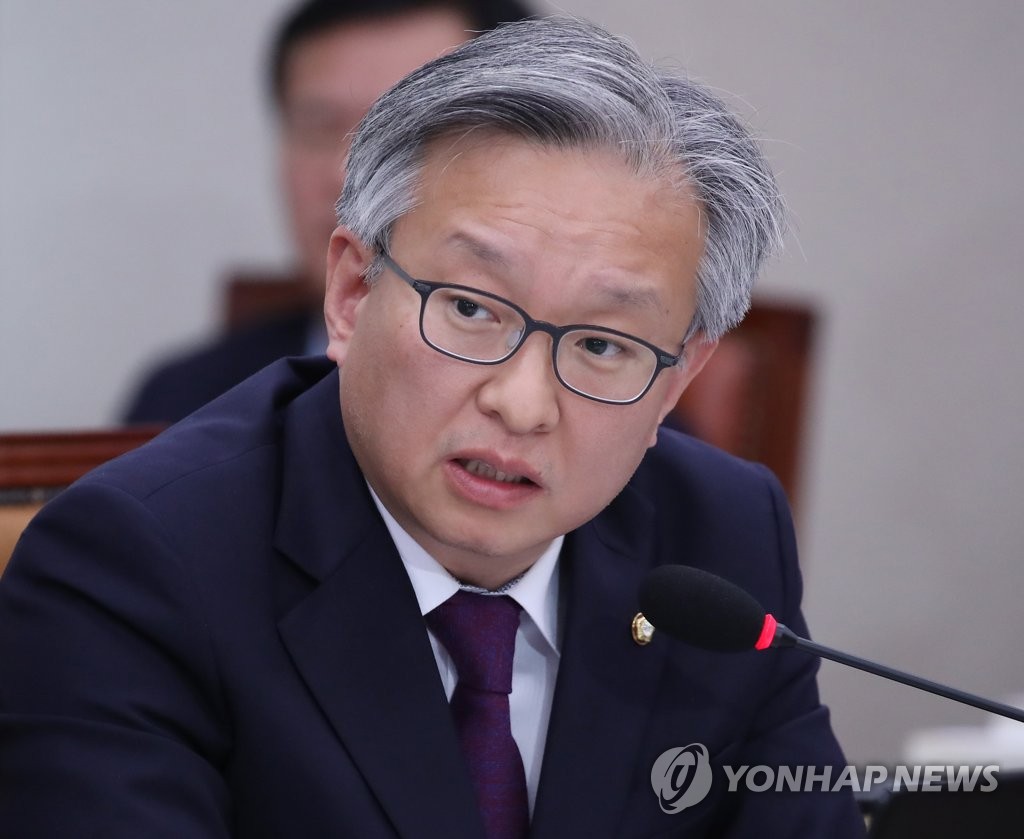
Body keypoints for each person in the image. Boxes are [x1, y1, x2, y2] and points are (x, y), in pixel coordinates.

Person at [0, 17, 865, 838]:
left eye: (603, 344)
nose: (522, 404)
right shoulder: (136, 565)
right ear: (352, 293)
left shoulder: (721, 540)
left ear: (678, 379)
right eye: (471, 308)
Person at [122, 0, 533, 424]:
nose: (345, 173)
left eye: (405, 133)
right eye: (320, 128)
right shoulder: (183, 403)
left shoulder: (565, 407)